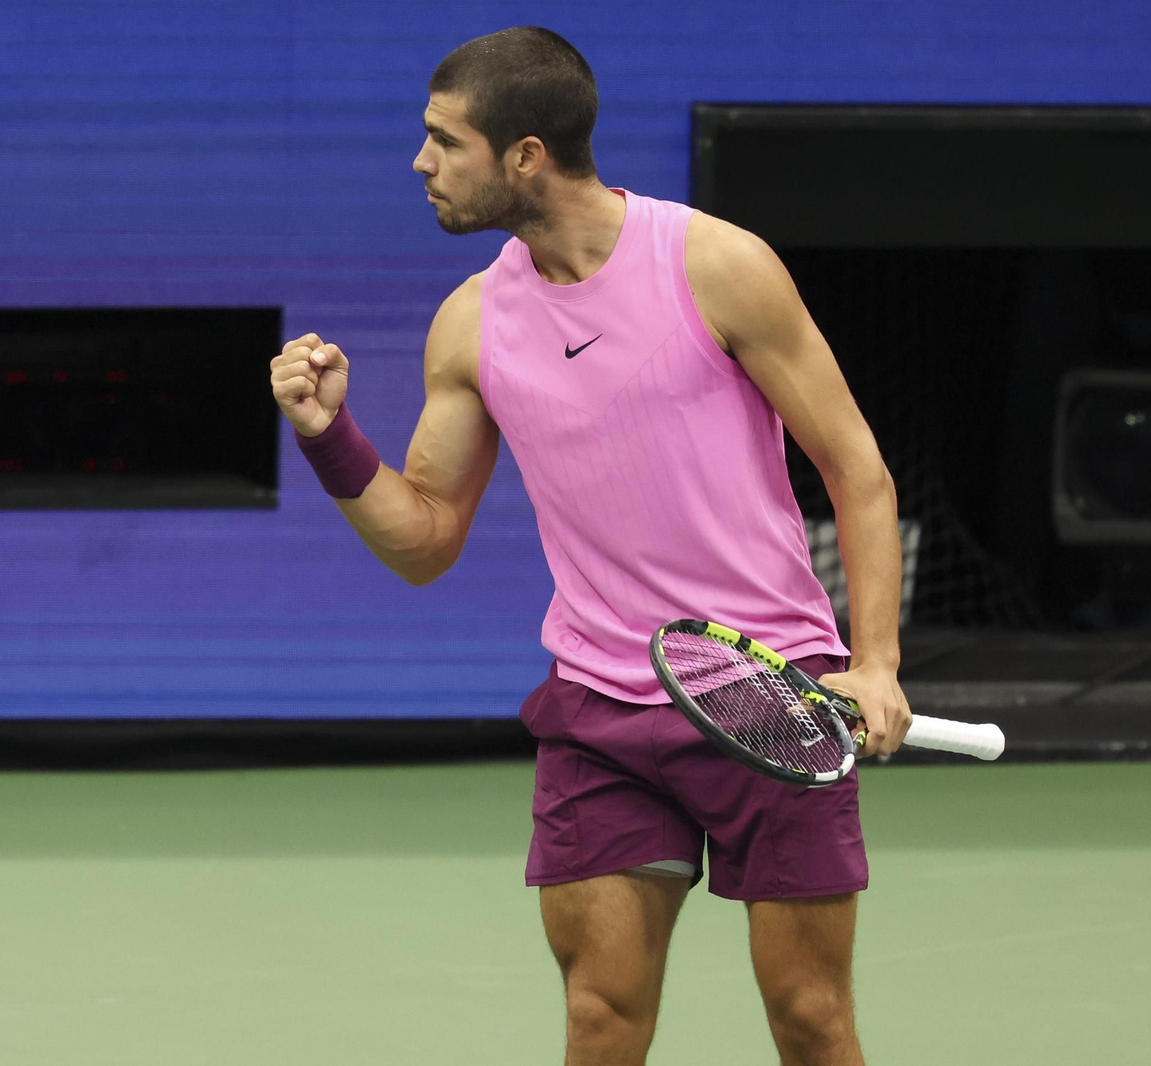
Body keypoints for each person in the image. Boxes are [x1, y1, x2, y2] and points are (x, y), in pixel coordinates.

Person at [270, 25, 914, 1066]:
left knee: (808, 1014)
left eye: (446, 141)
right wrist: (328, 437)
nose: (420, 163)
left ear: (525, 154)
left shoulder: (716, 266)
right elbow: (425, 538)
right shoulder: (471, 323)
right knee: (599, 1016)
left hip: (770, 695)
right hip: (603, 709)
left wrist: (874, 658)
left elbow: (856, 468)